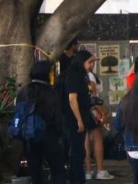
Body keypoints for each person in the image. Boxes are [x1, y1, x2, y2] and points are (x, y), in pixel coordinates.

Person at [17, 60, 65, 184]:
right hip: (49, 135)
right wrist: (60, 133)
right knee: (58, 169)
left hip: (29, 136)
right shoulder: (51, 92)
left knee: (35, 171)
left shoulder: (23, 91)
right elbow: (56, 116)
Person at [63, 50, 108, 183]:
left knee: (80, 149)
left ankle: (79, 177)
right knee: (77, 151)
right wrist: (79, 120)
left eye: (93, 62)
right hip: (74, 119)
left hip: (82, 115)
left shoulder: (83, 76)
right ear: (81, 62)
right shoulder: (73, 76)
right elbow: (72, 99)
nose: (92, 65)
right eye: (90, 62)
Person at [84, 69, 112, 181]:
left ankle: (88, 171)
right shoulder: (89, 75)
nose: (92, 64)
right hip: (93, 111)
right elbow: (93, 97)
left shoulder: (77, 75)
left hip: (83, 111)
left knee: (85, 140)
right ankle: (100, 170)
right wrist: (103, 112)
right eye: (90, 62)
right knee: (97, 139)